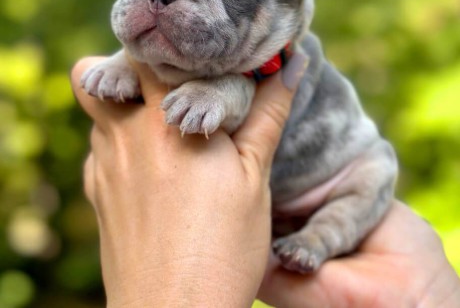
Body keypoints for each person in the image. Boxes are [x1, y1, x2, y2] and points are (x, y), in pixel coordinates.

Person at [71, 55, 460, 308]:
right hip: (266, 214)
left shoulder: (274, 54)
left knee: (373, 171)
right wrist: (423, 295)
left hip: (334, 180)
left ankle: (319, 237)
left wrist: (169, 296)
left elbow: (238, 88)